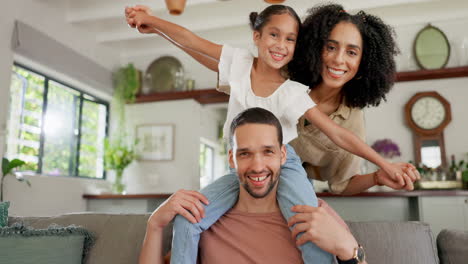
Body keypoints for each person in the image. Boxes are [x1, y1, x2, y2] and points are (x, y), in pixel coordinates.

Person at [125, 4, 416, 263]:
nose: (280, 44)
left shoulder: (293, 93)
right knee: (188, 219)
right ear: (257, 37)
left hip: (285, 165)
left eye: (290, 39)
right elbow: (194, 43)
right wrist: (155, 26)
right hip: (240, 165)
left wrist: (383, 166)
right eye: (273, 35)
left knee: (308, 225)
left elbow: (339, 135)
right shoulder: (241, 65)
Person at [139, 108, 367, 264]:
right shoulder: (203, 220)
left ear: (283, 155)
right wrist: (155, 225)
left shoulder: (315, 215)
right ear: (232, 159)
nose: (258, 166)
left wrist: (349, 249)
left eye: (268, 151)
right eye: (245, 154)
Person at [288, 4, 420, 195]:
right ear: (315, 48)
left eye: (351, 52)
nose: (339, 59)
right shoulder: (285, 79)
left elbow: (342, 184)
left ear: (363, 64)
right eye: (331, 47)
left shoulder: (351, 121)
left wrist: (377, 177)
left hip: (293, 186)